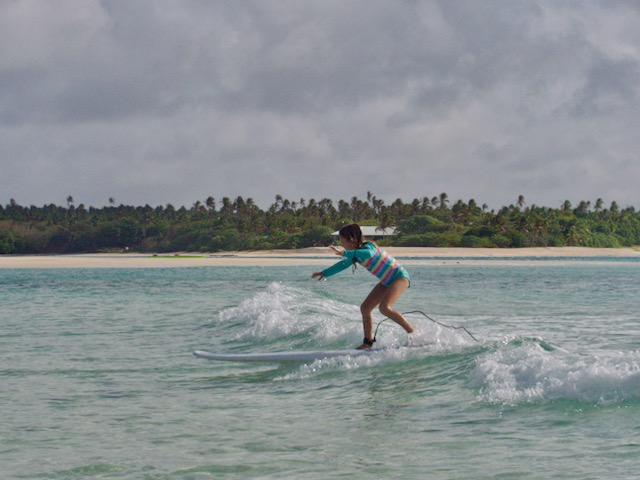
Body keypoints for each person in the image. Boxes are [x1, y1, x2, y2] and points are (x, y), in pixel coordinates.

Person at [312, 223, 414, 349]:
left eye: (342, 241)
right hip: (386, 281)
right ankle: (367, 343)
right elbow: (342, 265)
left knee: (384, 308)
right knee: (365, 308)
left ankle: (413, 335)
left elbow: (369, 254)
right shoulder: (355, 255)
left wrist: (345, 253)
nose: (341, 244)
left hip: (400, 277)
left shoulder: (368, 246)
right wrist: (324, 273)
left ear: (352, 239)